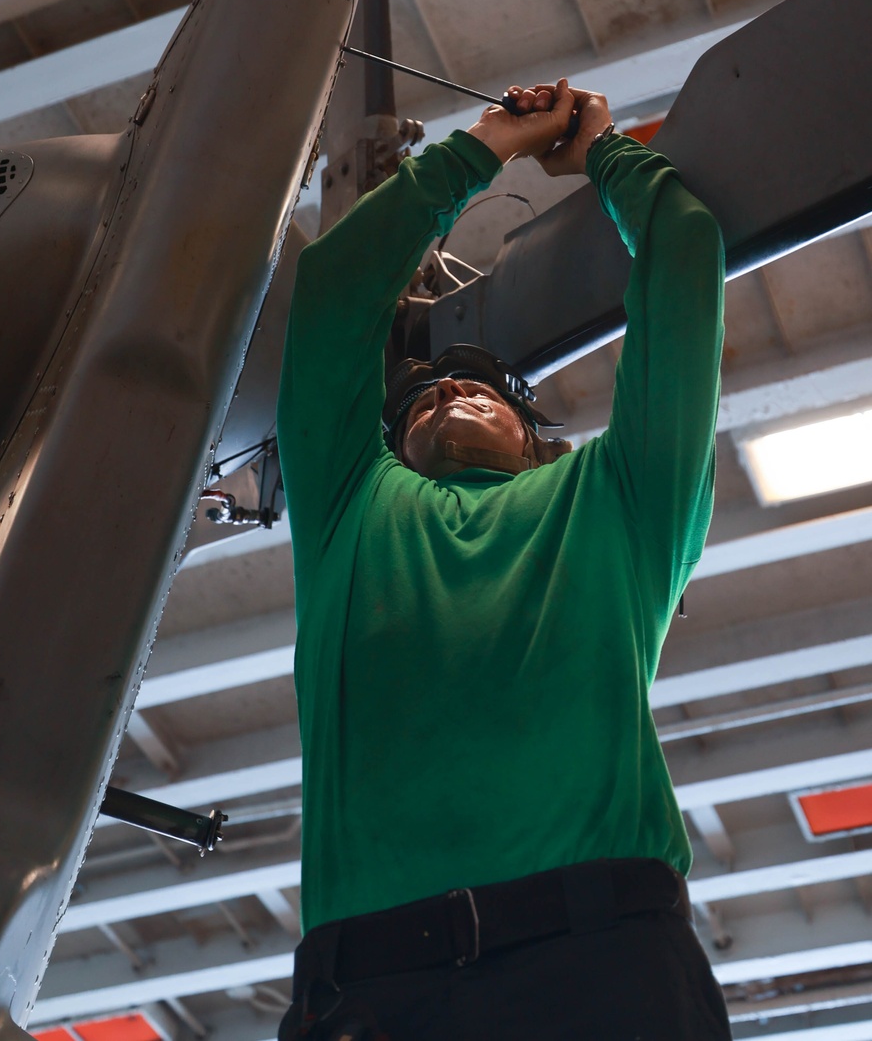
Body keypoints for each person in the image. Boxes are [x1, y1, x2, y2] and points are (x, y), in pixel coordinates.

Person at [276, 78, 730, 1040]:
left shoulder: (617, 497)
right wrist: (477, 149)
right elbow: (330, 298)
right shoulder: (350, 513)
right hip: (372, 987)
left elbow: (684, 256)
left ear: (538, 441)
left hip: (605, 962)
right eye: (420, 404)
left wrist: (604, 157)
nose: (442, 393)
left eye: (480, 393)